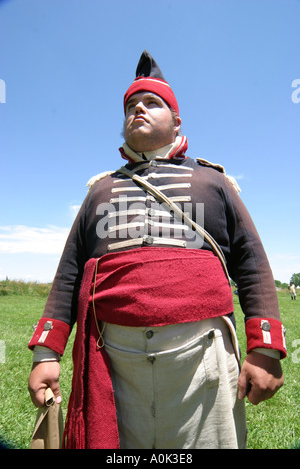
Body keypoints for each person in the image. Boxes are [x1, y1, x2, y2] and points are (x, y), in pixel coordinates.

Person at [28, 50, 286, 449]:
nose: (138, 110)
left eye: (152, 103)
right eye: (131, 105)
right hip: (112, 357)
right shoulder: (100, 189)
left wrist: (265, 348)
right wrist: (46, 353)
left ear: (177, 119)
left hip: (204, 353)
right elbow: (68, 275)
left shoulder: (211, 182)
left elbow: (251, 262)